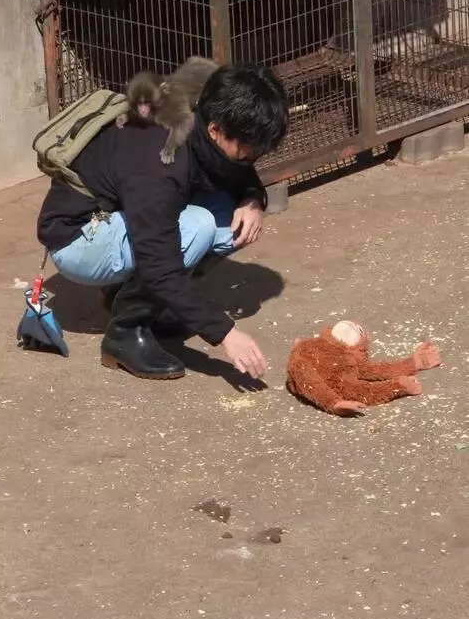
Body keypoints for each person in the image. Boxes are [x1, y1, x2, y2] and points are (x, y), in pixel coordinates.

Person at [36, 63, 289, 381]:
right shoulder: (161, 161)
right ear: (215, 129)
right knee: (199, 227)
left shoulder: (200, 119)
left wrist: (253, 199)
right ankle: (127, 332)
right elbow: (160, 263)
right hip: (79, 238)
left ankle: (129, 296)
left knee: (230, 220)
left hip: (125, 215)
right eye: (248, 150)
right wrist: (226, 334)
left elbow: (233, 171)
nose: (251, 158)